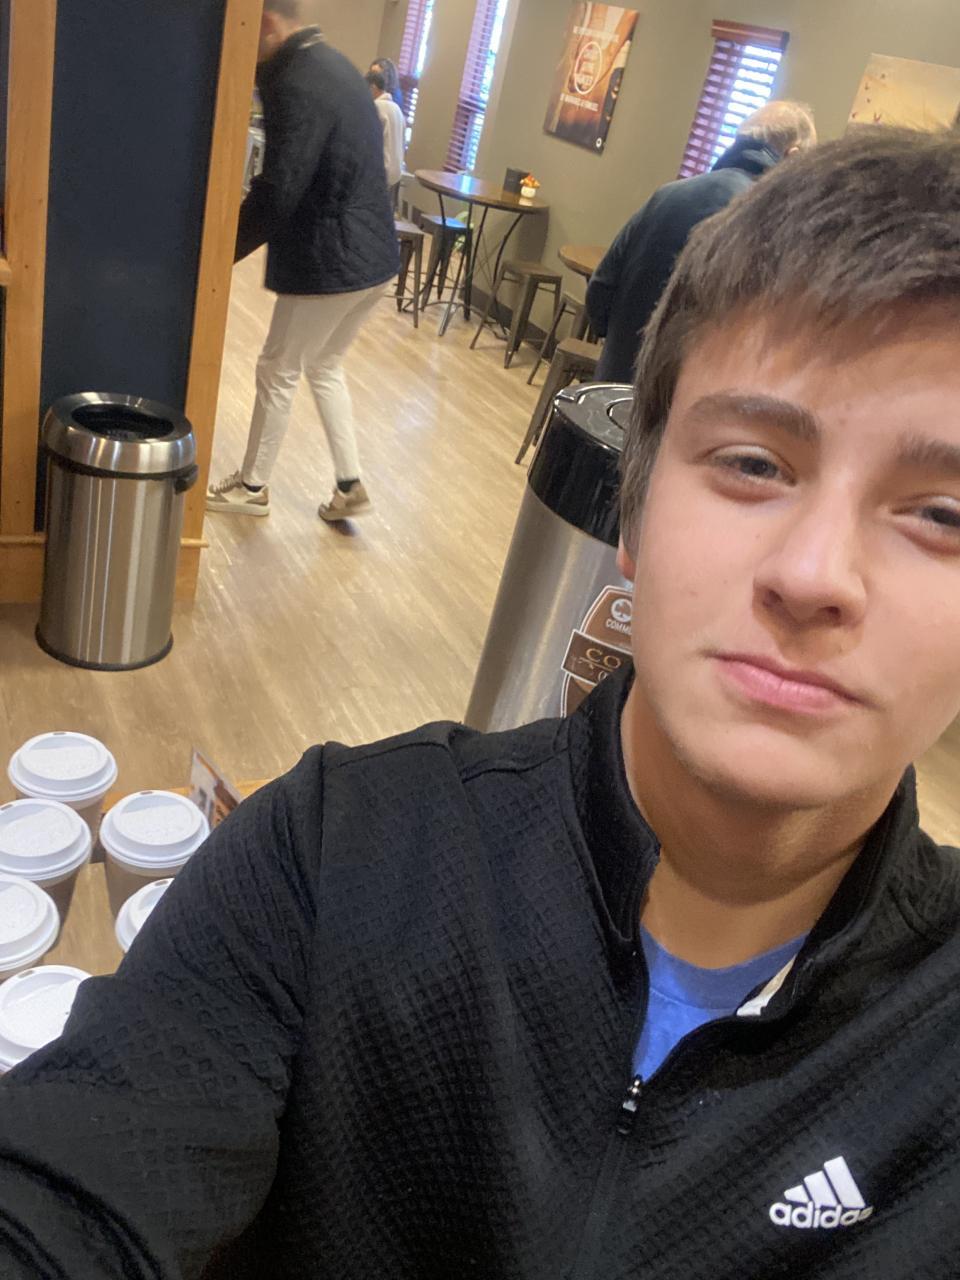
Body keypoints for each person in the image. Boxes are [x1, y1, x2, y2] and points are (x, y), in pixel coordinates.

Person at [2, 128, 960, 1279]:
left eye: (941, 514)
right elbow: (70, 1186)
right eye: (754, 463)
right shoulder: (335, 858)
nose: (813, 574)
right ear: (634, 510)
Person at [206, 0, 398, 523]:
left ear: (266, 24)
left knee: (278, 367)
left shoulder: (294, 79)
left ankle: (252, 487)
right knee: (323, 364)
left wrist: (216, 255)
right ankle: (350, 483)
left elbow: (279, 187)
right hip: (376, 255)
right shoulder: (336, 64)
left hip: (330, 258)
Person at [587, 100, 816, 383]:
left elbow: (600, 289)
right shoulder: (774, 226)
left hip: (612, 387)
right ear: (792, 157)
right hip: (688, 400)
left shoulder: (667, 196)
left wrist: (622, 350)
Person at [366, 67, 406, 201]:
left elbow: (368, 141)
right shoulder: (397, 109)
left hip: (379, 172)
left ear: (372, 87)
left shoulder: (376, 107)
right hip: (395, 174)